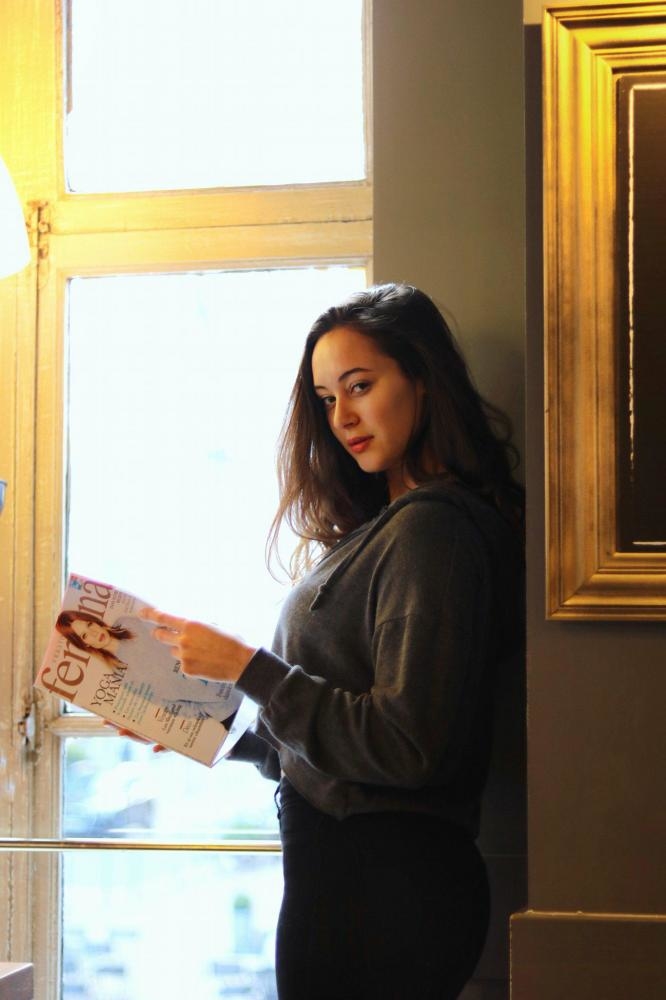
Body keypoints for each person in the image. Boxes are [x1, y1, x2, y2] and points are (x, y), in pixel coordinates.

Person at [128, 283, 524, 1000]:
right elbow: (345, 757)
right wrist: (212, 726)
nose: (341, 417)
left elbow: (407, 746)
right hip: (350, 883)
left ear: (423, 380)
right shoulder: (390, 530)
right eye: (325, 398)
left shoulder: (432, 531)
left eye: (360, 386)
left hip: (382, 892)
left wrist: (249, 668)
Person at [56, 609, 238, 726]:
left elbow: (175, 631)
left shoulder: (128, 623)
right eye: (85, 635)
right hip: (225, 712)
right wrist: (207, 709)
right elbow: (166, 704)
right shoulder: (120, 673)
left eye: (89, 624)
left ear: (96, 621)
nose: (94, 632)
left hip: (232, 670)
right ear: (85, 645)